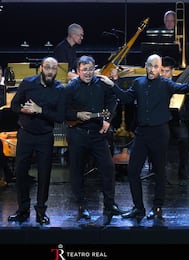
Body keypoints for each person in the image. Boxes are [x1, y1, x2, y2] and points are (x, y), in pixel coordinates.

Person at [110, 54, 189, 221]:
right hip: (142, 134)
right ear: (145, 66)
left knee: (159, 172)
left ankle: (157, 208)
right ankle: (138, 208)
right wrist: (113, 82)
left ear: (160, 69)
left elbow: (182, 88)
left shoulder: (165, 84)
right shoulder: (138, 83)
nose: (152, 69)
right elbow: (125, 97)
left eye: (156, 67)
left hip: (160, 133)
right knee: (133, 171)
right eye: (150, 66)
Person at [64, 55, 125, 225]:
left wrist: (108, 119)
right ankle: (81, 206)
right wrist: (76, 115)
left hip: (98, 133)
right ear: (78, 71)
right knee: (77, 171)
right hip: (77, 134)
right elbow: (62, 110)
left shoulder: (102, 84)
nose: (88, 73)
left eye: (91, 69)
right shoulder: (70, 88)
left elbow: (113, 99)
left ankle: (109, 204)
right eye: (84, 70)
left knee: (107, 168)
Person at [7, 57, 65, 224]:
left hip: (45, 137)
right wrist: (23, 110)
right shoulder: (27, 83)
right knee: (20, 173)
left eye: (54, 68)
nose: (50, 71)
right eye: (47, 67)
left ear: (56, 70)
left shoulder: (59, 89)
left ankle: (41, 211)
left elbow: (60, 117)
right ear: (41, 68)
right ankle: (23, 210)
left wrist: (40, 110)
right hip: (25, 135)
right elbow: (14, 106)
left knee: (44, 175)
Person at [161, 56, 189, 182]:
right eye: (162, 71)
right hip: (161, 120)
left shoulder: (179, 80)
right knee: (157, 137)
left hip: (176, 119)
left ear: (172, 71)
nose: (164, 74)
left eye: (167, 71)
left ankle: (183, 168)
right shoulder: (157, 82)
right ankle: (158, 169)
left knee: (185, 138)